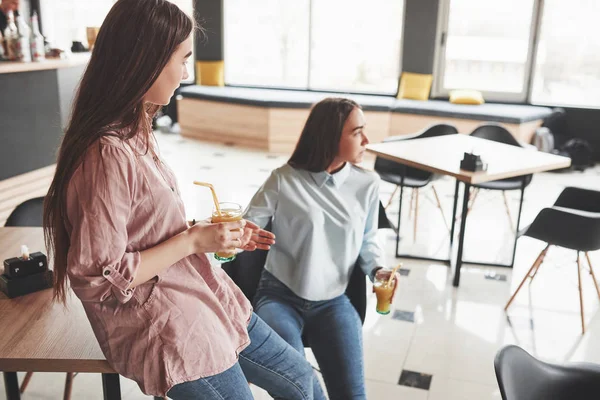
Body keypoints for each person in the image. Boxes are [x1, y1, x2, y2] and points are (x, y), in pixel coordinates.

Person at [42, 1, 321, 399]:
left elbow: (143, 230)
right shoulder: (106, 153)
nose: (186, 73)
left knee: (304, 380)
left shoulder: (136, 130)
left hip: (204, 293)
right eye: (183, 59)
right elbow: (94, 276)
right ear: (146, 61)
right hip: (168, 324)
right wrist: (192, 242)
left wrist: (206, 234)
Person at [244, 97, 401, 400]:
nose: (366, 140)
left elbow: (367, 241)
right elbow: (246, 226)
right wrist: (237, 235)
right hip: (279, 298)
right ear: (330, 135)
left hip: (334, 301)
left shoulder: (367, 183)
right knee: (299, 390)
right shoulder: (283, 179)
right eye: (357, 132)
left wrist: (378, 269)